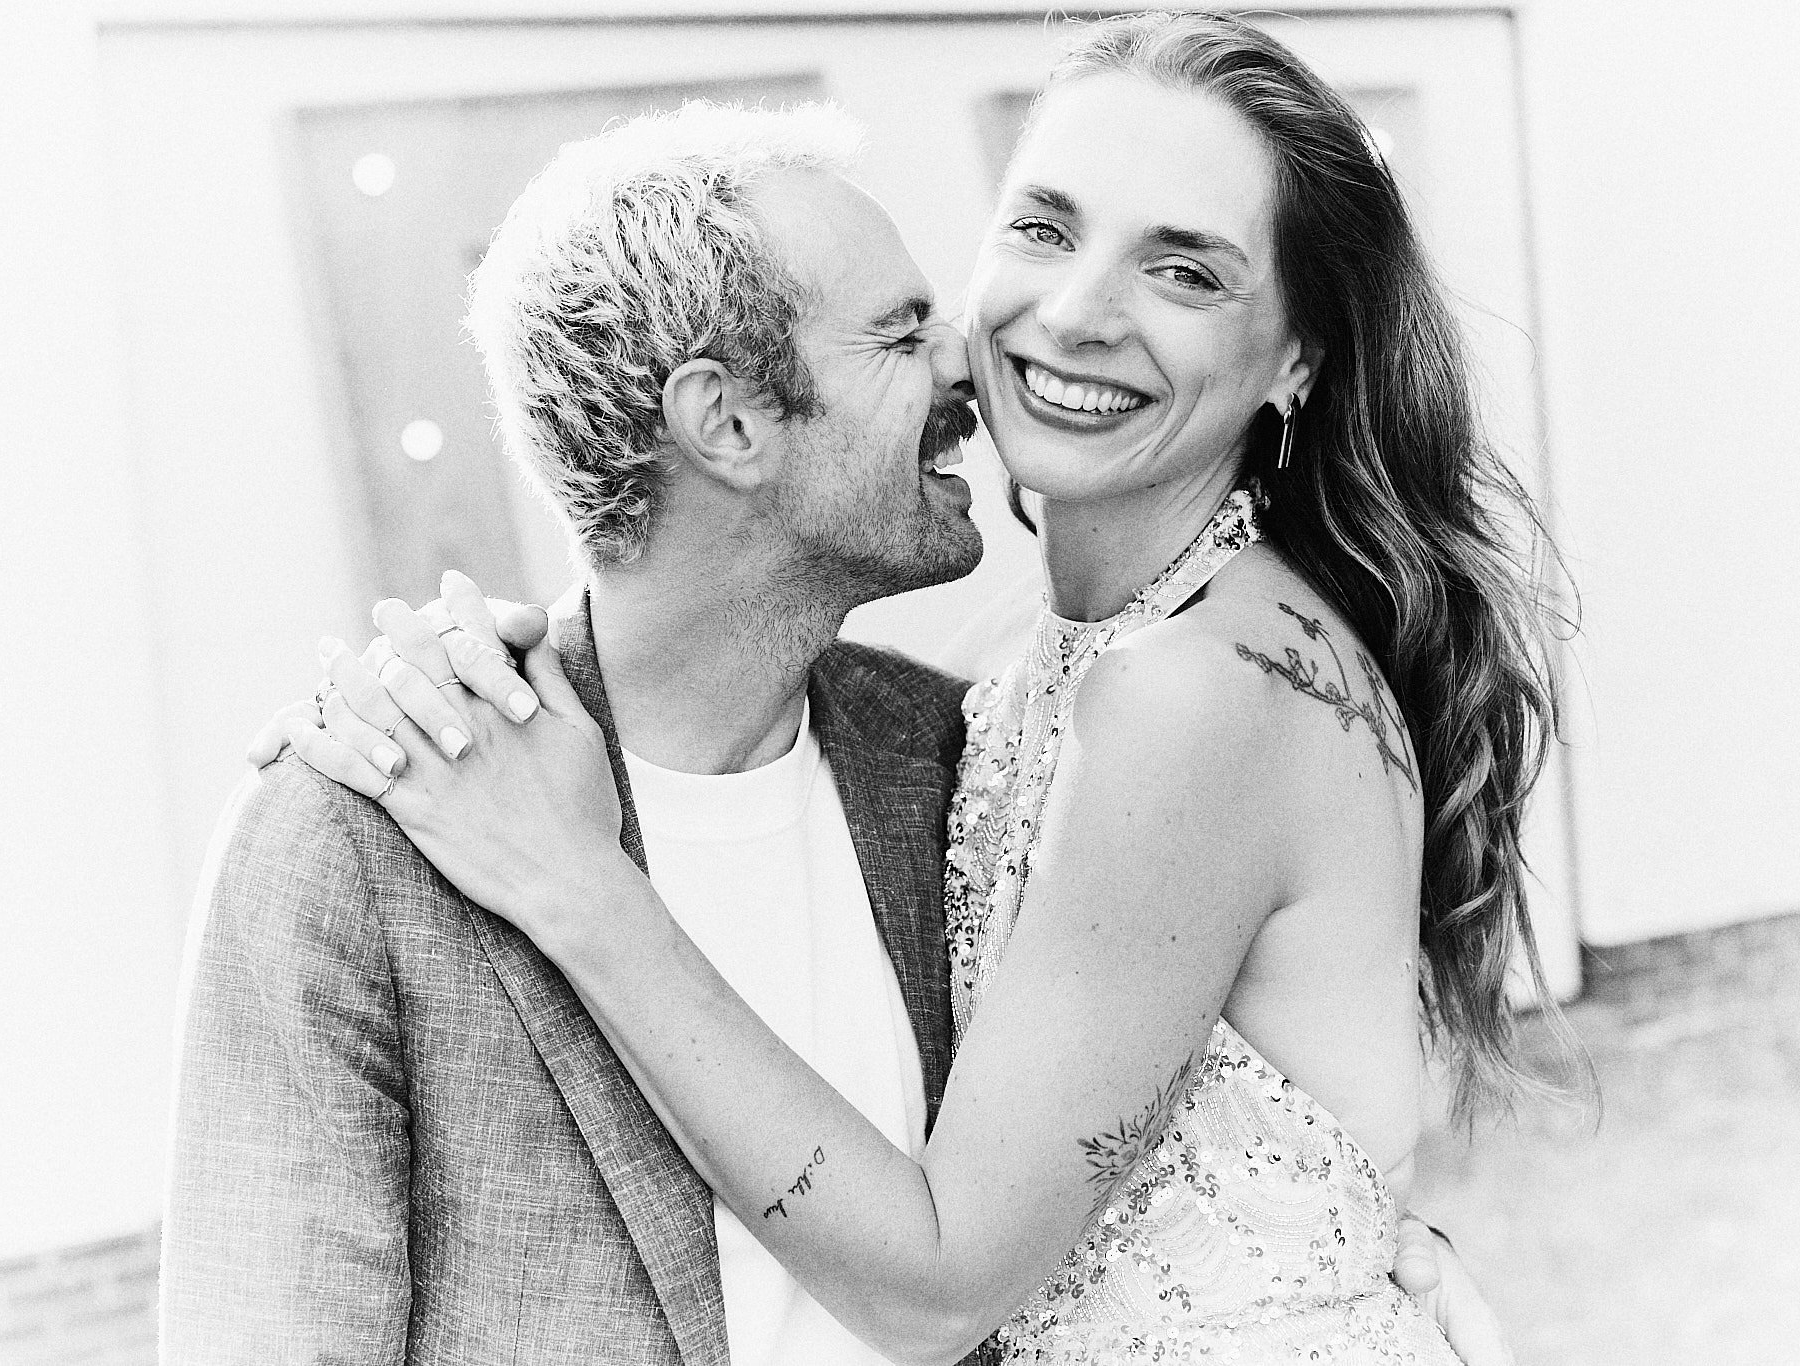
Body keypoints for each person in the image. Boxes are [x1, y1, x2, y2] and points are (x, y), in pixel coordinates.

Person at [222, 59, 1506, 1366]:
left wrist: (579, 885)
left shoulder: (1186, 695)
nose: (1051, 317)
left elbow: (951, 1275)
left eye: (1185, 268)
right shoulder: (993, 711)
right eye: (1043, 227)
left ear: (1297, 358)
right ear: (723, 420)